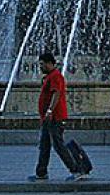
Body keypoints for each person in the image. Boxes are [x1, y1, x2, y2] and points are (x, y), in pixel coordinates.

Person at [29, 51, 85, 181]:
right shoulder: (49, 76)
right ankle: (41, 173)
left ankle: (76, 170)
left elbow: (57, 93)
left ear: (50, 63)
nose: (40, 67)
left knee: (58, 145)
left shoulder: (55, 76)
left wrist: (49, 110)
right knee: (44, 145)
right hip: (48, 119)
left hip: (55, 118)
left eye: (42, 64)